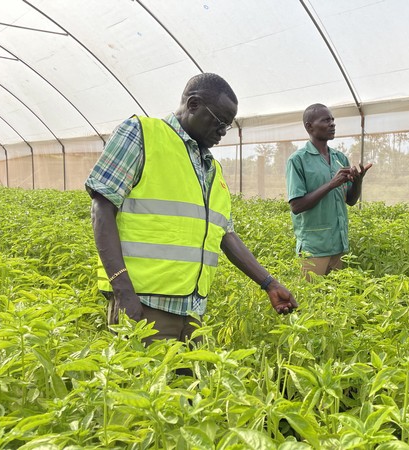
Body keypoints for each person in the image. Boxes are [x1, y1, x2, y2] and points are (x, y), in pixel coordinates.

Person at [85, 73, 297, 348]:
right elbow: (102, 207)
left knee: (188, 390)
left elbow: (225, 234)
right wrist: (123, 292)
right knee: (146, 388)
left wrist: (269, 283)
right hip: (144, 306)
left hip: (192, 311)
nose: (222, 132)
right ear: (193, 104)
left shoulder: (211, 168)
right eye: (219, 122)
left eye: (228, 126)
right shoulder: (142, 134)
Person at [285, 103, 372, 280]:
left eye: (332, 120)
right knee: (312, 301)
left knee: (334, 300)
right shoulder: (298, 160)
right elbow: (296, 205)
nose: (332, 124)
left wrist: (358, 181)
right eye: (326, 120)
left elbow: (350, 200)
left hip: (339, 244)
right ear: (309, 126)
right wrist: (331, 184)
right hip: (314, 247)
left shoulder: (340, 158)